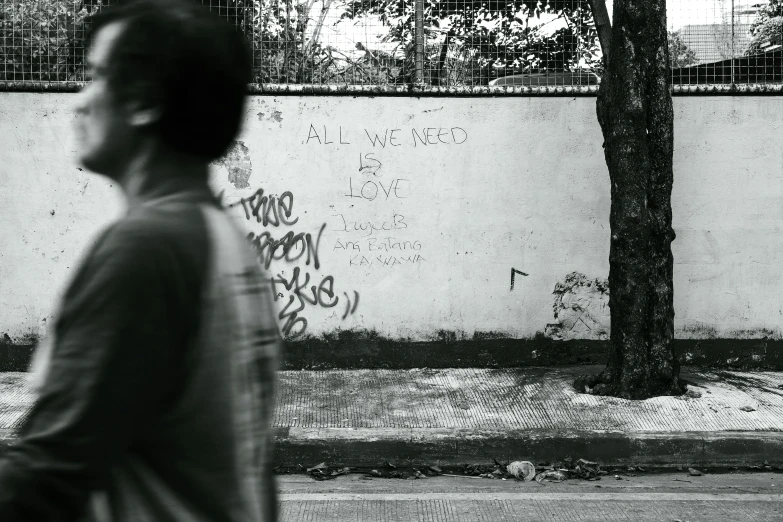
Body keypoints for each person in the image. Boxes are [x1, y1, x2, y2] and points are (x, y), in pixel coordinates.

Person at [0, 1, 281, 520]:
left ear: (145, 102)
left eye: (94, 76)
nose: (78, 102)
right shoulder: (221, 238)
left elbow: (47, 475)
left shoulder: (146, 248)